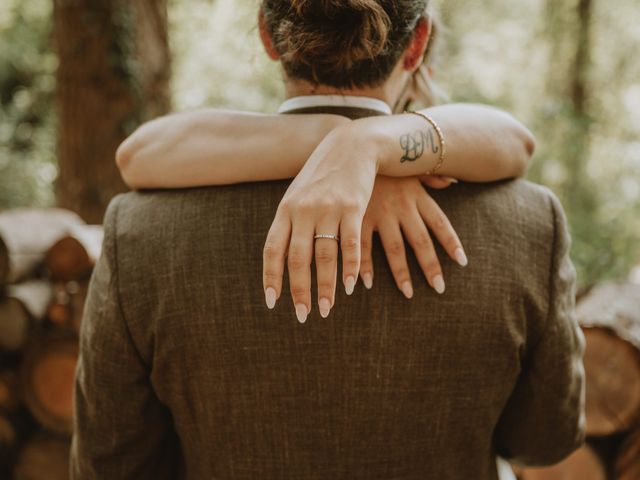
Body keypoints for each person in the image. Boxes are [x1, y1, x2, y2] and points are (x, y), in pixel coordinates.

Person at [71, 1, 585, 479]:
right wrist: (358, 146)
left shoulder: (137, 232)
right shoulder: (531, 222)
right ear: (418, 41)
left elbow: (111, 460)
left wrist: (362, 148)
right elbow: (544, 440)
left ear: (268, 36)